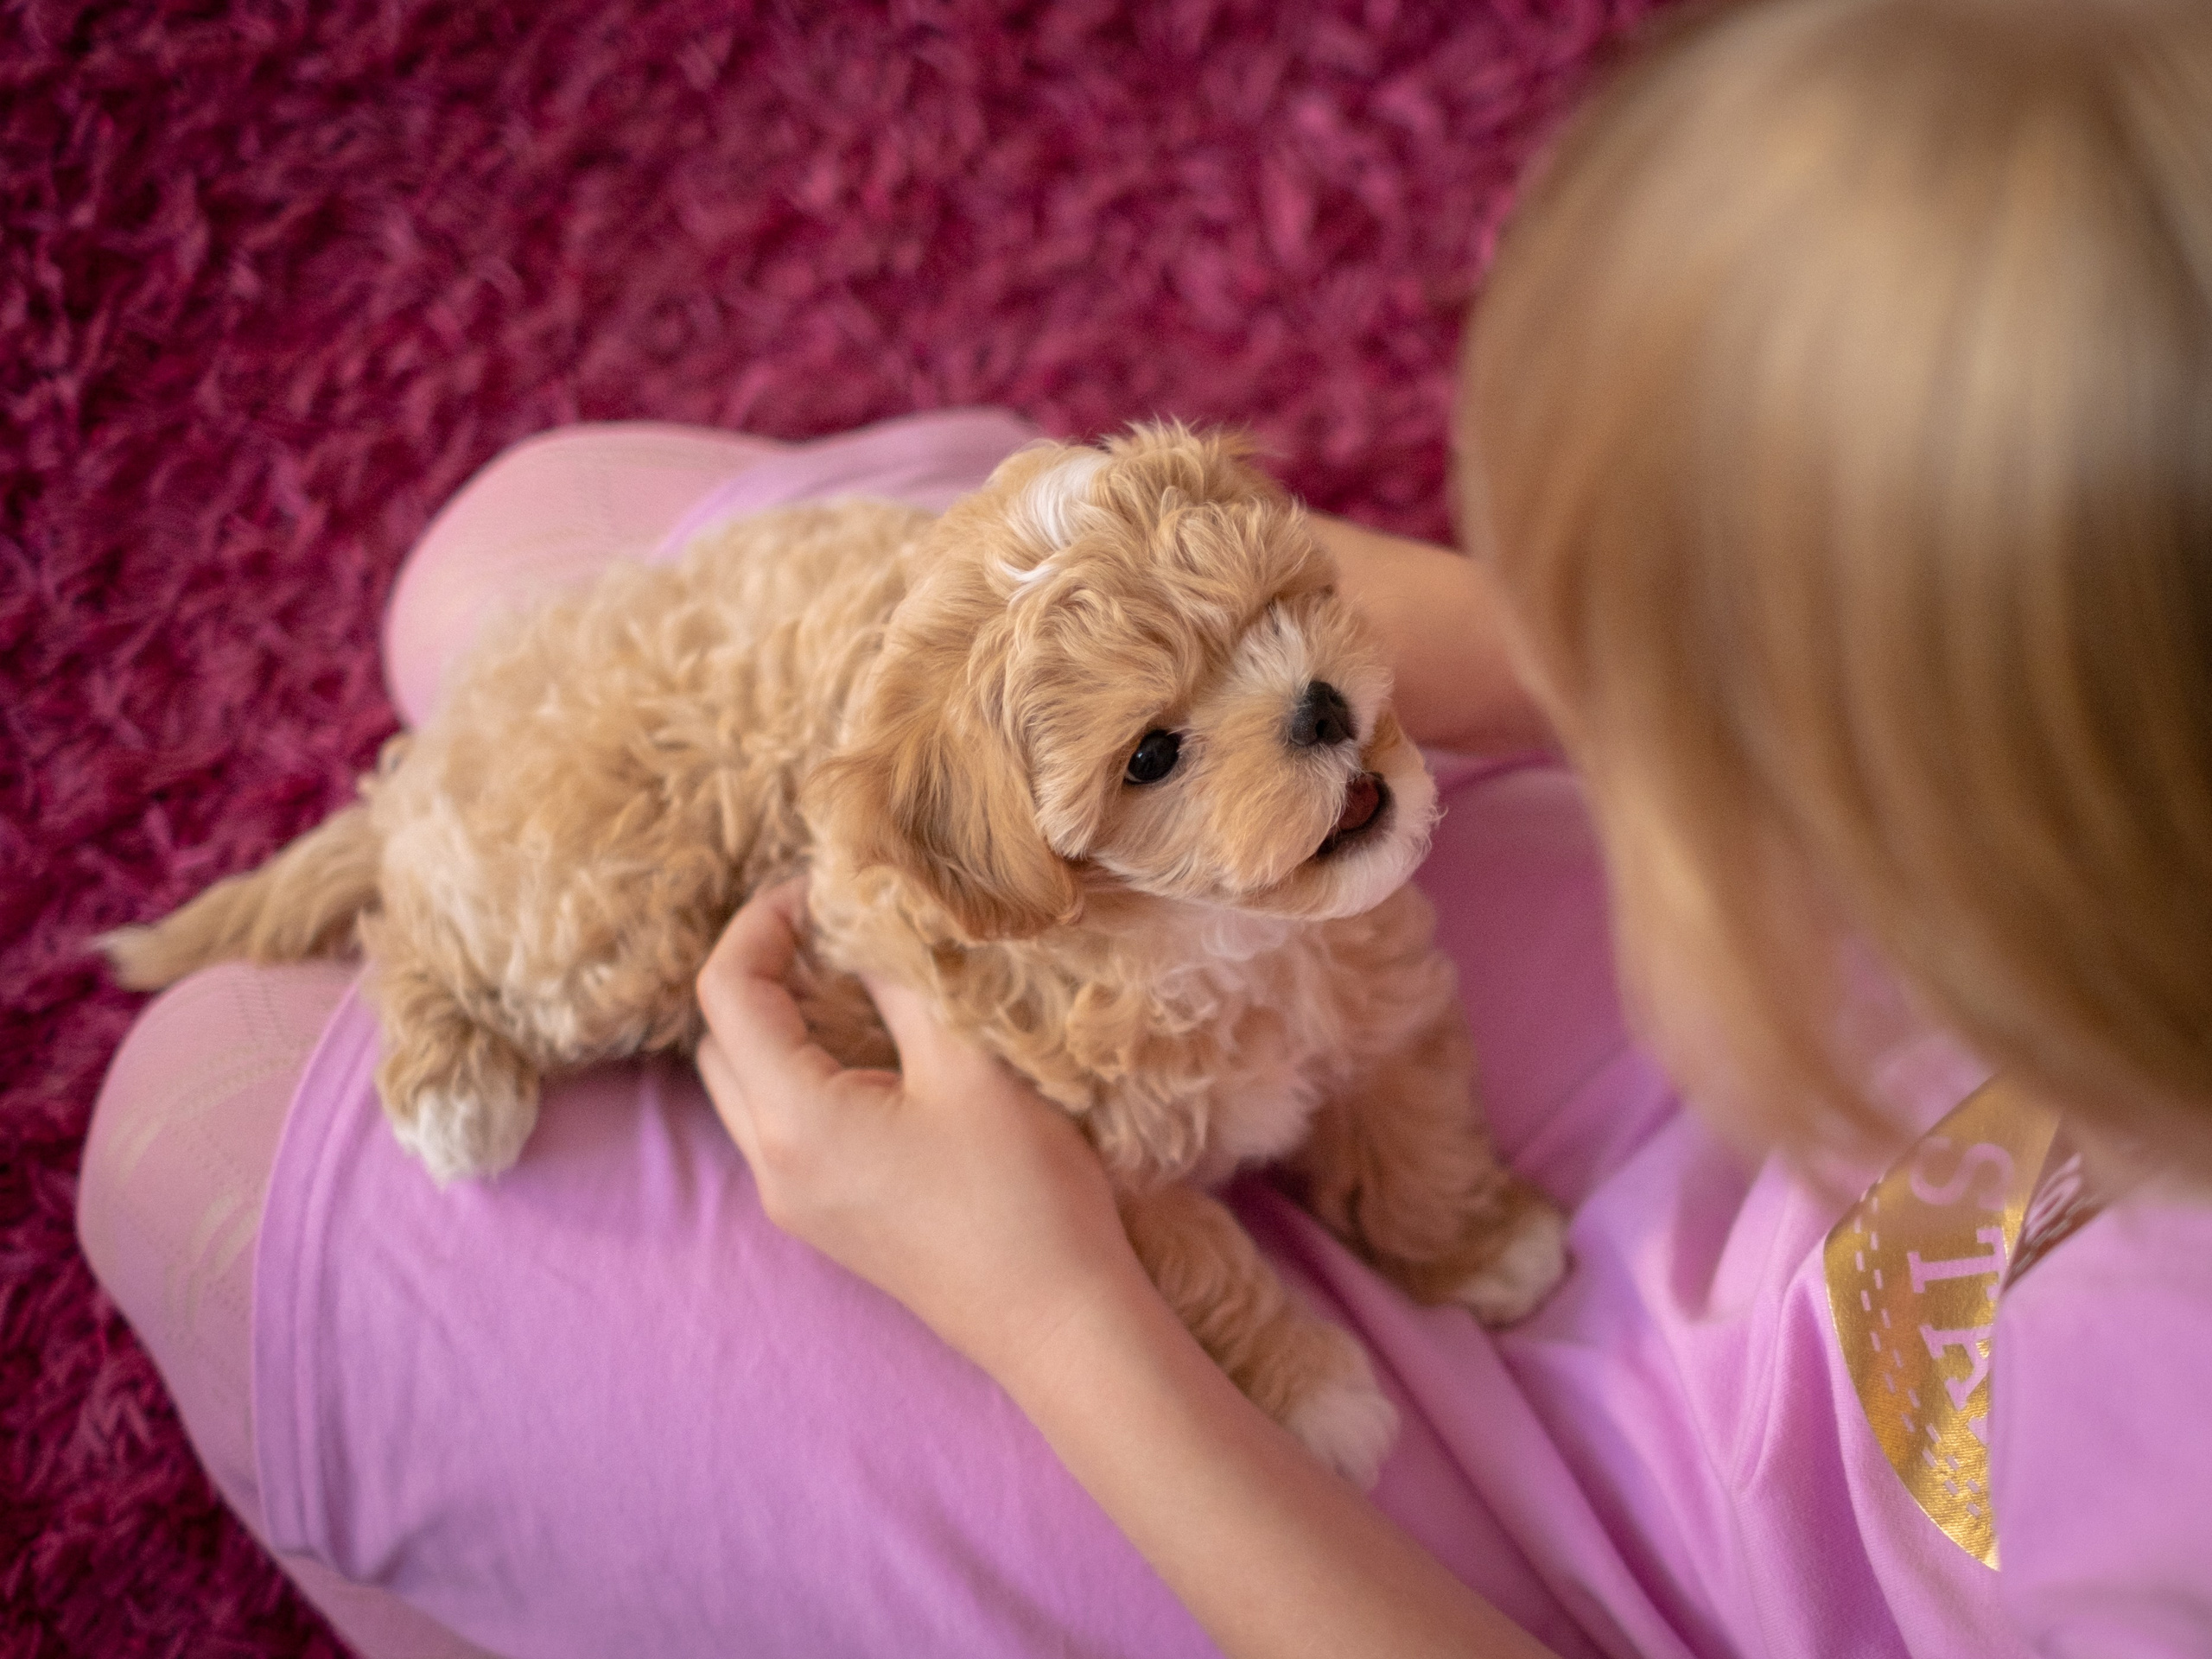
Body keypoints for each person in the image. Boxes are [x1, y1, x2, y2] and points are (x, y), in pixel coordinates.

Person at [74, 0, 2211, 1653]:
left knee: (192, 1143)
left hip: (1555, 1517)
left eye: (1731, 682)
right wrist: (1335, 645)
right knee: (499, 556)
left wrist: (1051, 1311)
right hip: (1724, 1083)